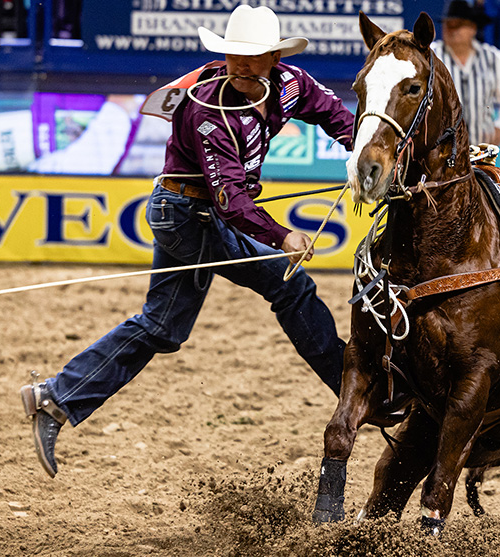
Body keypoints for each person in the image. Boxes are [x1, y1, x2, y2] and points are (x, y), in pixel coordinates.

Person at [19, 5, 355, 478]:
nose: (240, 64)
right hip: (187, 216)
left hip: (189, 213)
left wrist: (363, 151)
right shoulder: (206, 108)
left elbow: (336, 114)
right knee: (288, 284)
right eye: (232, 55)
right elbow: (230, 200)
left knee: (162, 327)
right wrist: (282, 235)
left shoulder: (293, 83)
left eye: (252, 55)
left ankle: (56, 397)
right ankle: (358, 390)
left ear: (274, 57)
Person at [430, 0, 500, 147]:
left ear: (472, 27)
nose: (451, 30)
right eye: (448, 24)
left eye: (458, 24)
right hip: (440, 153)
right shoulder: (431, 56)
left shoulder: (491, 57)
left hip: (481, 151)